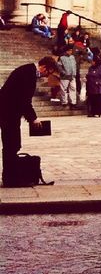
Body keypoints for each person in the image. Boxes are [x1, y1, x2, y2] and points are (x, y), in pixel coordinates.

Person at [1, 57, 60, 187]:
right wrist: (33, 118)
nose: (46, 76)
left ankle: (10, 176)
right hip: (8, 112)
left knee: (12, 144)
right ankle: (10, 179)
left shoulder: (27, 71)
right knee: (11, 145)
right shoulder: (28, 73)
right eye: (48, 72)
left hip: (9, 112)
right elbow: (24, 100)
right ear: (44, 67)